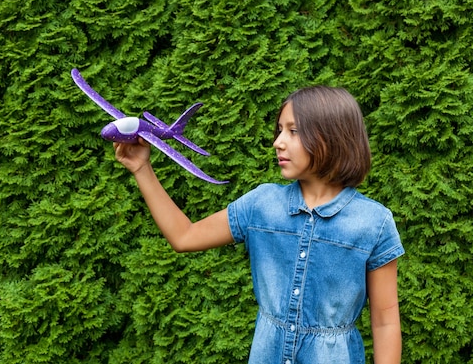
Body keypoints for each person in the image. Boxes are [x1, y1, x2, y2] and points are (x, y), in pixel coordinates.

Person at [113, 85, 405, 364]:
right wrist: (142, 168)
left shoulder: (373, 223)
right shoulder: (261, 205)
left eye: (293, 131)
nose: (278, 142)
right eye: (279, 131)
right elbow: (184, 236)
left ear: (332, 137)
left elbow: (385, 321)